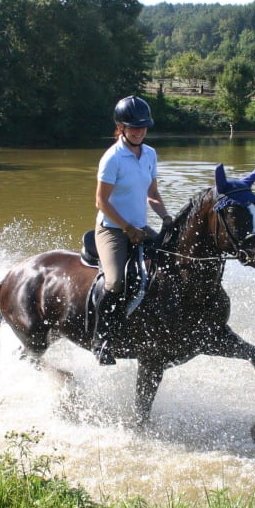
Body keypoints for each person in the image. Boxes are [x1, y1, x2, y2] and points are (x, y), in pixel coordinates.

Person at [92, 95, 173, 365]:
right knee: (115, 281)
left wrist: (166, 218)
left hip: (138, 227)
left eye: (143, 126)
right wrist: (126, 228)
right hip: (112, 229)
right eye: (133, 127)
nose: (139, 131)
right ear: (121, 127)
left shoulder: (149, 154)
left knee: (170, 262)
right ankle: (101, 339)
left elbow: (152, 194)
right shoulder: (112, 158)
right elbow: (101, 202)